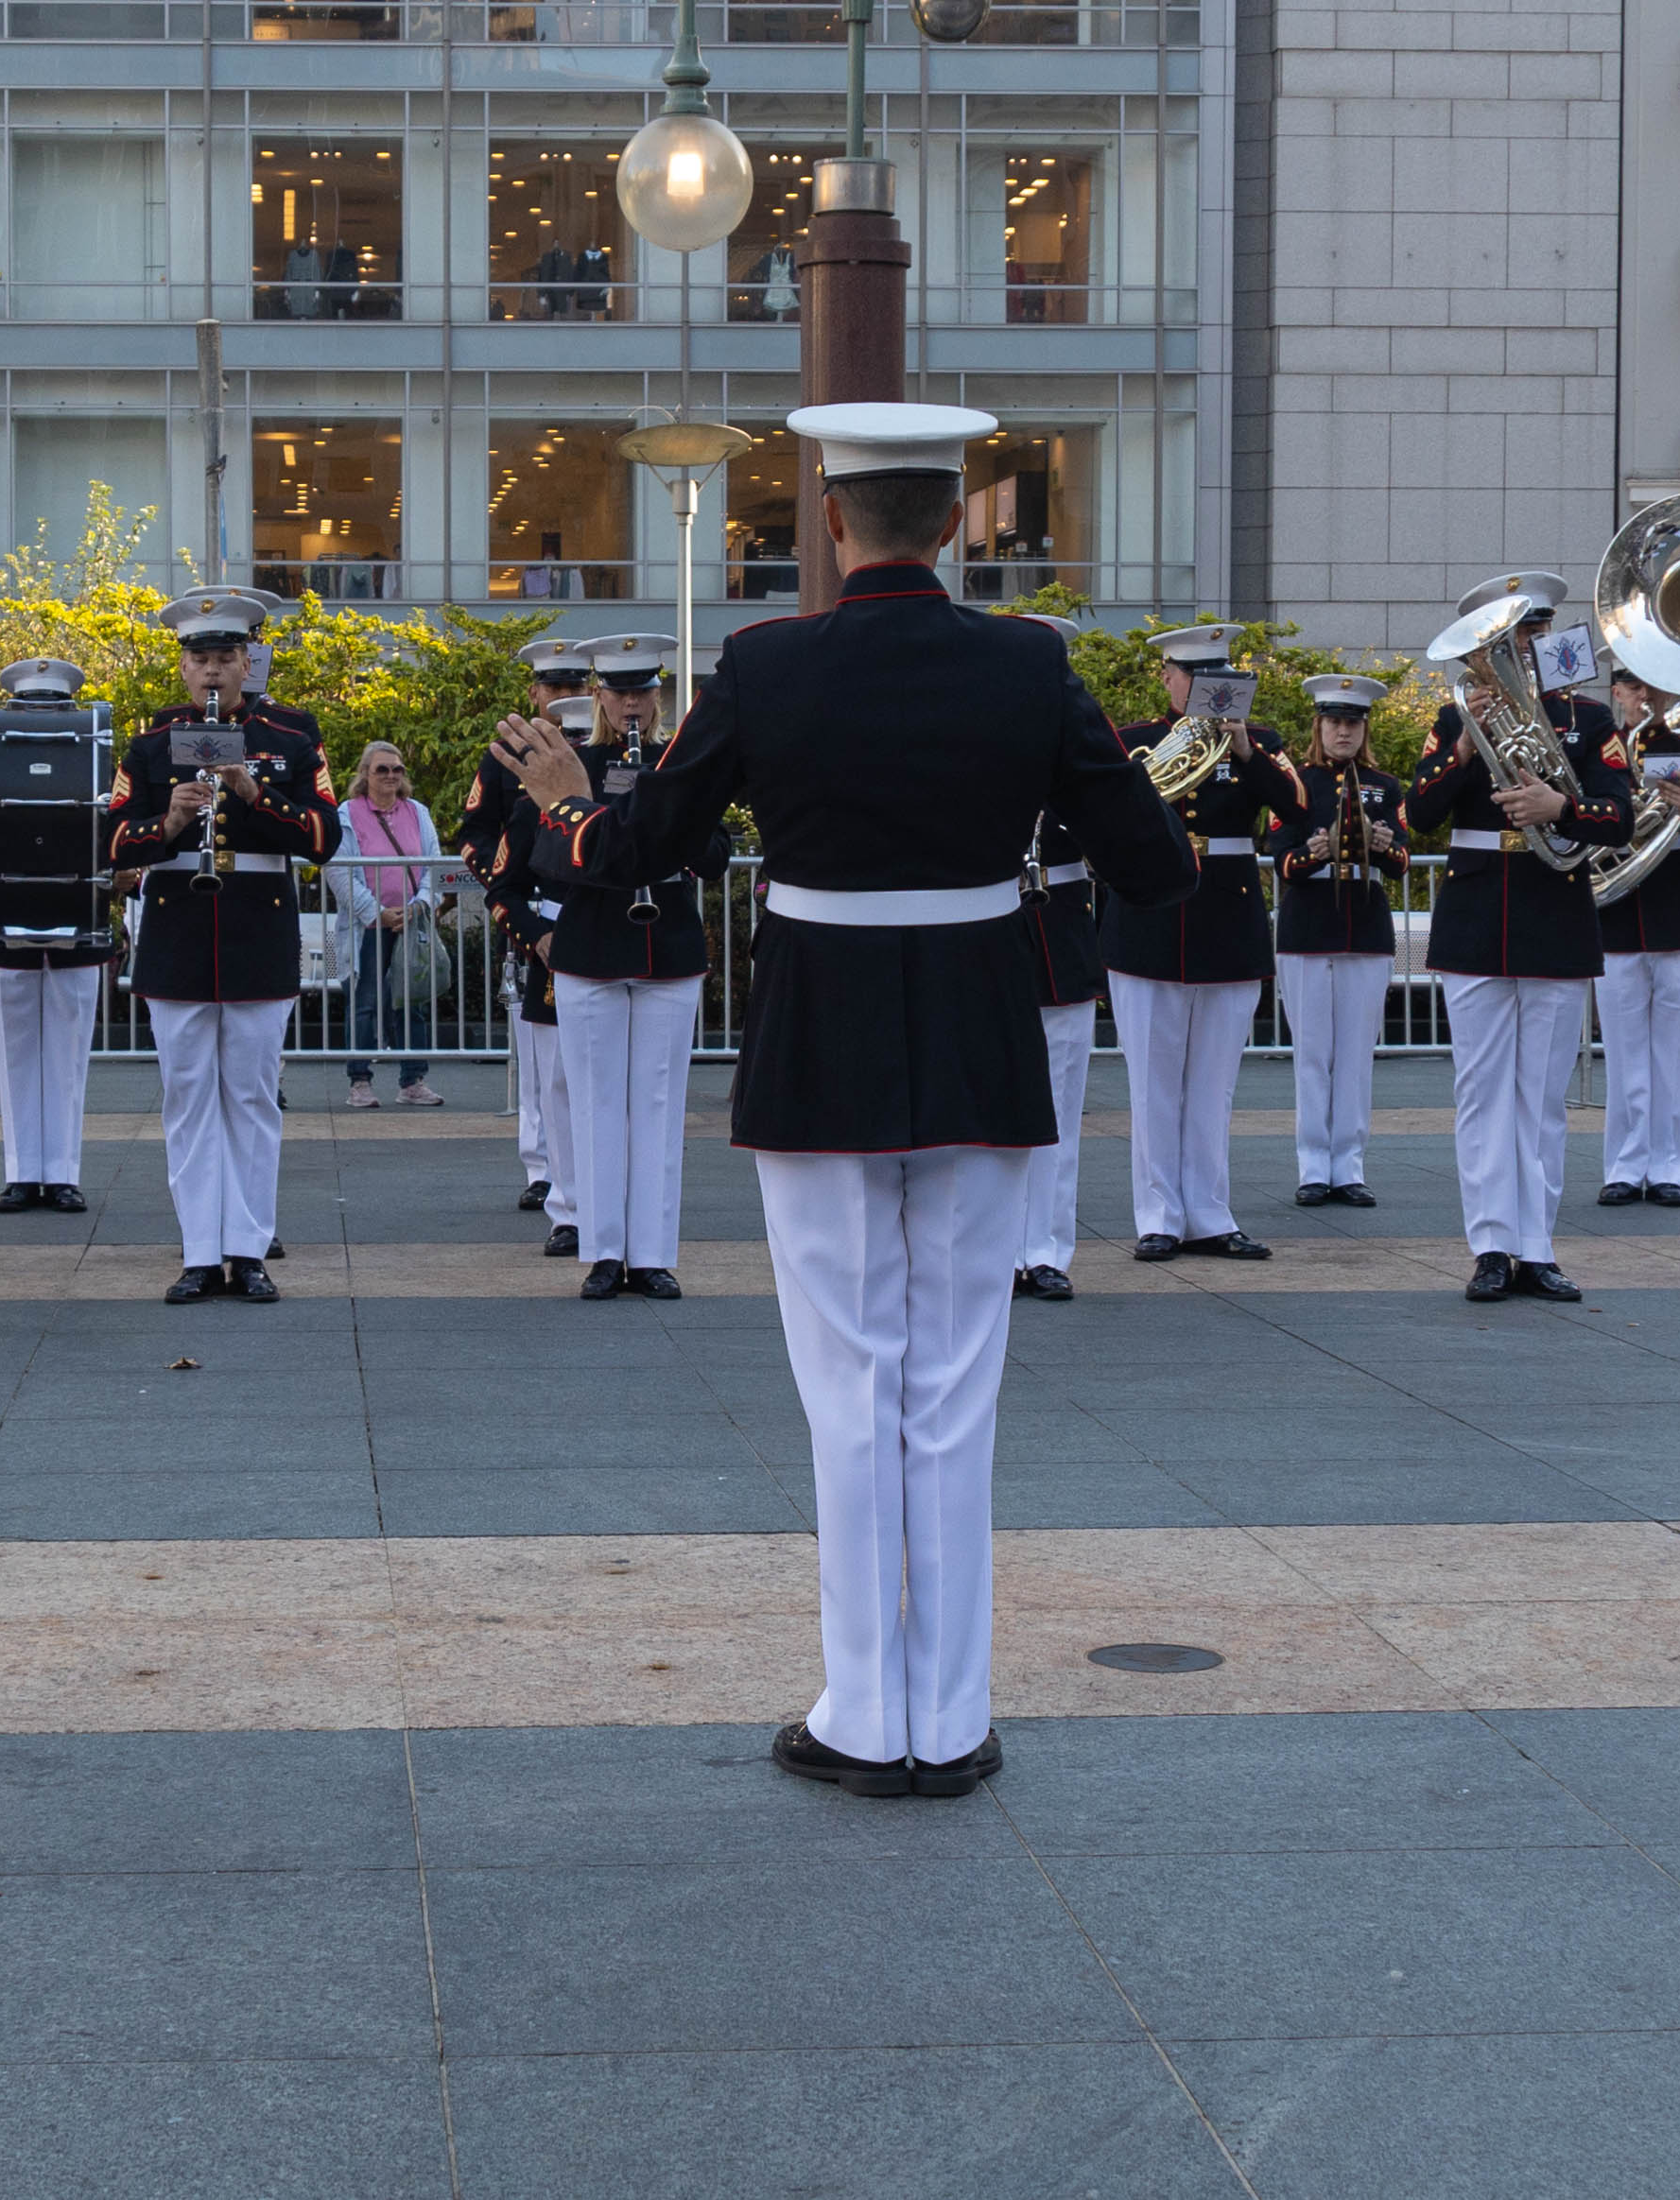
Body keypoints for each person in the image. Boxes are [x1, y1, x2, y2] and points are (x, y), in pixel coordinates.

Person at [488, 401, 1197, 1798]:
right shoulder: (1027, 664)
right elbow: (1156, 865)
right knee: (955, 1384)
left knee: (847, 1382)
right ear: (949, 522)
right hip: (984, 1036)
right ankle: (952, 1710)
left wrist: (569, 797)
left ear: (830, 518)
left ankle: (866, 1713)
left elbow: (637, 848)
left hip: (821, 1041)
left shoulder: (763, 662)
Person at [1405, 571, 1635, 1304]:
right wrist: (1468, 747)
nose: (1522, 646)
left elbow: (1620, 816)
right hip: (1476, 915)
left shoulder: (1589, 718)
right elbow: (1418, 814)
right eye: (1508, 637)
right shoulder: (1452, 722)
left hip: (1553, 910)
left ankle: (1536, 1245)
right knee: (1480, 1095)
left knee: (1540, 1097)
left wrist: (1559, 805)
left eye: (1532, 632)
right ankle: (1491, 1245)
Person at [113, 592, 340, 1304]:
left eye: (226, 658)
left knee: (250, 1095)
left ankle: (247, 1248)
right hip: (178, 926)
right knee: (186, 1097)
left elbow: (324, 837)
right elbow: (112, 837)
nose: (213, 672)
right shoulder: (152, 743)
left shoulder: (293, 736)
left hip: (257, 924)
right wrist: (171, 821)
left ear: (250, 660)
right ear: (183, 667)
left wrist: (249, 789)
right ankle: (198, 1248)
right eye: (200, 659)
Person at [525, 633, 724, 1300]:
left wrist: (665, 829)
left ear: (657, 694)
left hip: (666, 941)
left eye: (642, 690)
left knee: (659, 1104)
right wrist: (604, 835)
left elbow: (719, 850)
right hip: (592, 942)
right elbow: (544, 855)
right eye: (619, 691)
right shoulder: (571, 764)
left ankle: (653, 1254)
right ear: (600, 696)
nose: (631, 703)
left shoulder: (681, 761)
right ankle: (603, 1250)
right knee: (596, 1102)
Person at [1100, 621, 1306, 1262]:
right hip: (1149, 921)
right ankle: (1159, 1214)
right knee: (1154, 1084)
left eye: (1217, 675)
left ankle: (1211, 1213)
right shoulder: (1136, 743)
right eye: (1191, 674)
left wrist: (1245, 750)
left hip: (1226, 919)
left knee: (1214, 1084)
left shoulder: (1261, 745)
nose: (1205, 687)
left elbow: (1299, 812)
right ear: (1167, 678)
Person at [0, 656, 107, 1220]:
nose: (41, 721)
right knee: (14, 1053)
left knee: (68, 1056)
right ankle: (23, 1173)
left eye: (51, 710)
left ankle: (63, 1174)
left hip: (78, 918)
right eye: (30, 710)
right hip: (4, 919)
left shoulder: (97, 763)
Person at [459, 635, 595, 1215]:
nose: (563, 698)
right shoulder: (507, 755)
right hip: (531, 910)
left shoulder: (597, 747)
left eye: (574, 687)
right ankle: (542, 1167)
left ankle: (583, 1171)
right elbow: (474, 833)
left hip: (589, 910)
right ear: (535, 692)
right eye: (554, 688)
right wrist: (508, 886)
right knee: (541, 1064)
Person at [1594, 665, 1680, 1210]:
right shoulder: (1599, 754)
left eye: (1654, 684)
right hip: (1619, 916)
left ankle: (1671, 1168)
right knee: (1624, 1054)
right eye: (1632, 686)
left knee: (1676, 1055)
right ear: (1617, 693)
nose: (1644, 696)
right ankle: (1625, 1167)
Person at [1273, 673, 1407, 1208]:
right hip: (1308, 922)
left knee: (1355, 1053)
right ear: (1319, 725)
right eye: (1334, 722)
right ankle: (1312, 1166)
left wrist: (1382, 846)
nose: (1343, 732)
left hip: (1365, 921)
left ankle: (1349, 1165)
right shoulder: (1297, 783)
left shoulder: (1383, 784)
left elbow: (1401, 860)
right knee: (1312, 1054)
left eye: (1352, 722)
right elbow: (1280, 858)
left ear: (1363, 727)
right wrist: (1316, 853)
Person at [1004, 612, 1101, 1302]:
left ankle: (1045, 1250)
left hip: (1060, 927)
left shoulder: (1084, 745)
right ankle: (997, 1250)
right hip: (990, 928)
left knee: (1060, 1106)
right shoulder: (973, 737)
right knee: (990, 1107)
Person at [334, 738, 445, 1109]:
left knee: (410, 1002)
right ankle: (359, 1081)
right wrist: (375, 911)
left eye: (397, 769)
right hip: (368, 926)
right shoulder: (346, 814)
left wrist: (419, 906)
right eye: (382, 769)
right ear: (365, 774)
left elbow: (434, 864)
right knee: (364, 1004)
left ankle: (412, 1080)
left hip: (410, 924)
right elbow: (339, 871)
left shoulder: (418, 811)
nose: (391, 776)